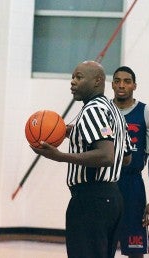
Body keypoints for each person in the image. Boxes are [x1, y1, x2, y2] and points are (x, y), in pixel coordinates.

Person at [31, 60, 132, 258]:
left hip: (90, 200)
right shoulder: (114, 111)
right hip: (112, 199)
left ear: (97, 81)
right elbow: (125, 158)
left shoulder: (92, 110)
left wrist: (60, 157)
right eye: (72, 77)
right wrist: (75, 133)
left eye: (79, 77)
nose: (72, 82)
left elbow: (106, 155)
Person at [111, 66, 149, 258]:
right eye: (117, 81)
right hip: (106, 182)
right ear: (112, 84)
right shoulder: (103, 111)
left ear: (134, 85)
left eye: (127, 81)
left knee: (135, 248)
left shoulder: (146, 113)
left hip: (132, 184)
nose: (121, 85)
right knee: (102, 245)